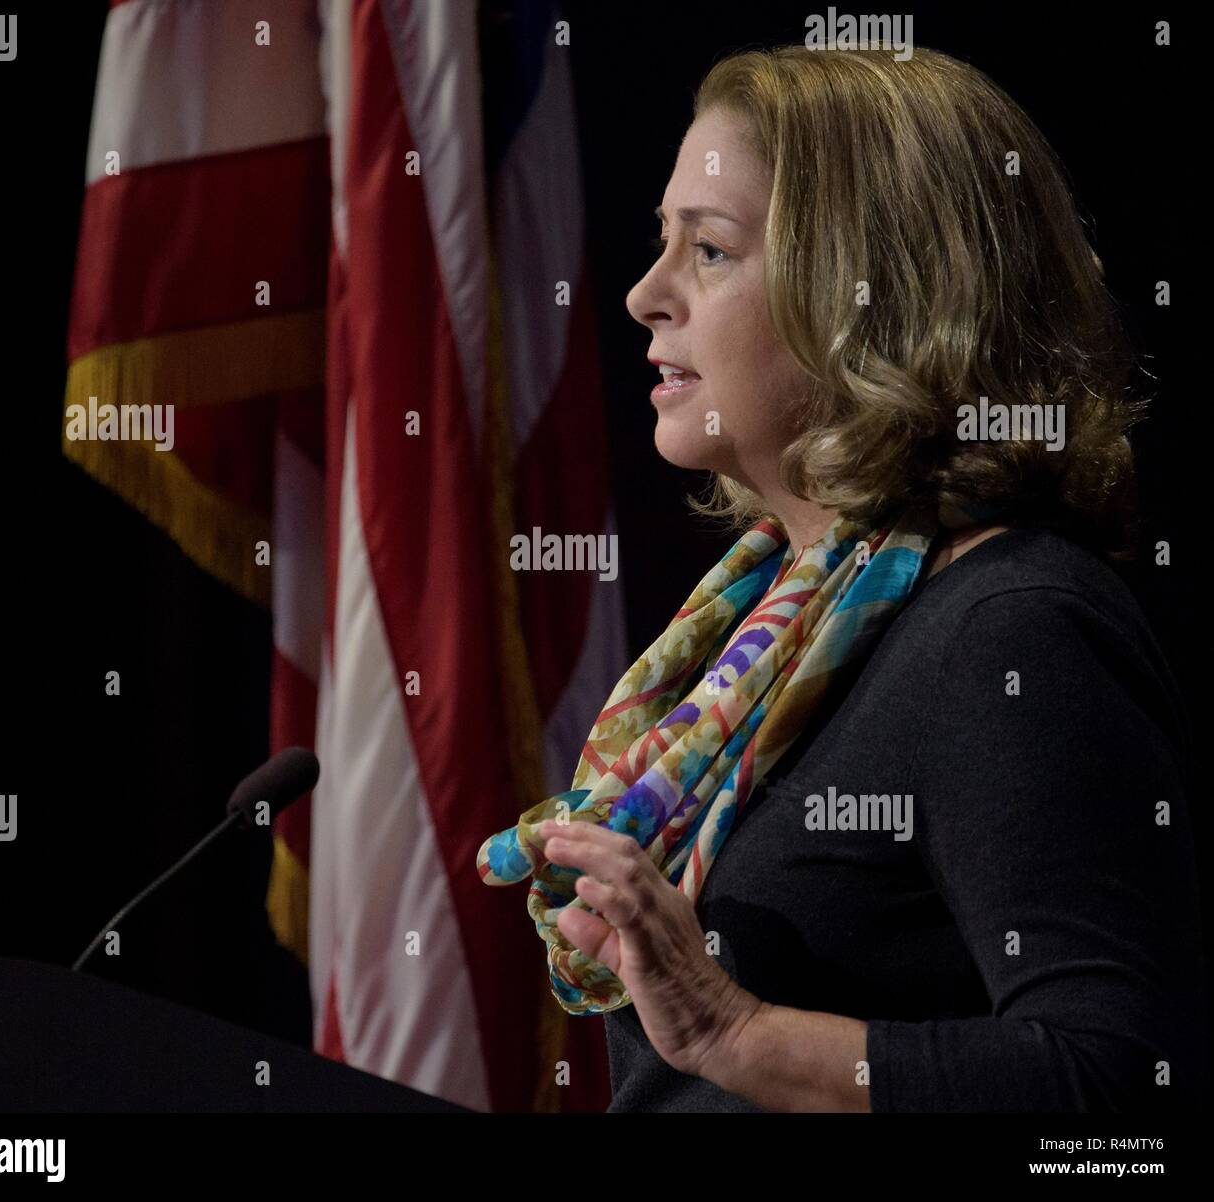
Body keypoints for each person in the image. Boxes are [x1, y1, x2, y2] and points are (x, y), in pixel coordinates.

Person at [477, 44, 1205, 1112]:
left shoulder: (1008, 629)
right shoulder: (763, 636)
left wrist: (739, 1029)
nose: (643, 295)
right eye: (660, 244)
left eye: (710, 251)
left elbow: (1119, 1085)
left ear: (875, 295)